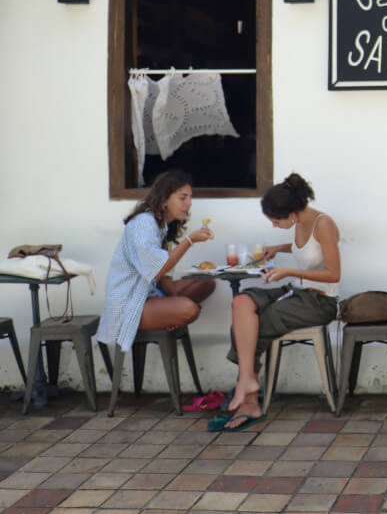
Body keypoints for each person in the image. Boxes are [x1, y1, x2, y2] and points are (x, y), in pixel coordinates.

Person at [217, 172, 340, 431]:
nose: (273, 225)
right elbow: (307, 248)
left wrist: (291, 271)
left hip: (319, 302)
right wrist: (279, 248)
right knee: (241, 304)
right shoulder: (299, 221)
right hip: (296, 292)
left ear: (292, 215)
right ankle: (247, 384)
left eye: (275, 220)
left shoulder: (324, 224)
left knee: (256, 324)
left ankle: (248, 398)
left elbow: (333, 273)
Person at [96, 170, 216, 356]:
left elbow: (165, 280)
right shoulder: (144, 223)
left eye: (190, 198)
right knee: (190, 309)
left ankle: (171, 312)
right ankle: (172, 313)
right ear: (164, 199)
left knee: (207, 283)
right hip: (130, 303)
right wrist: (189, 241)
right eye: (183, 198)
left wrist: (172, 305)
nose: (189, 204)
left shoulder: (162, 226)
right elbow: (157, 270)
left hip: (151, 293)